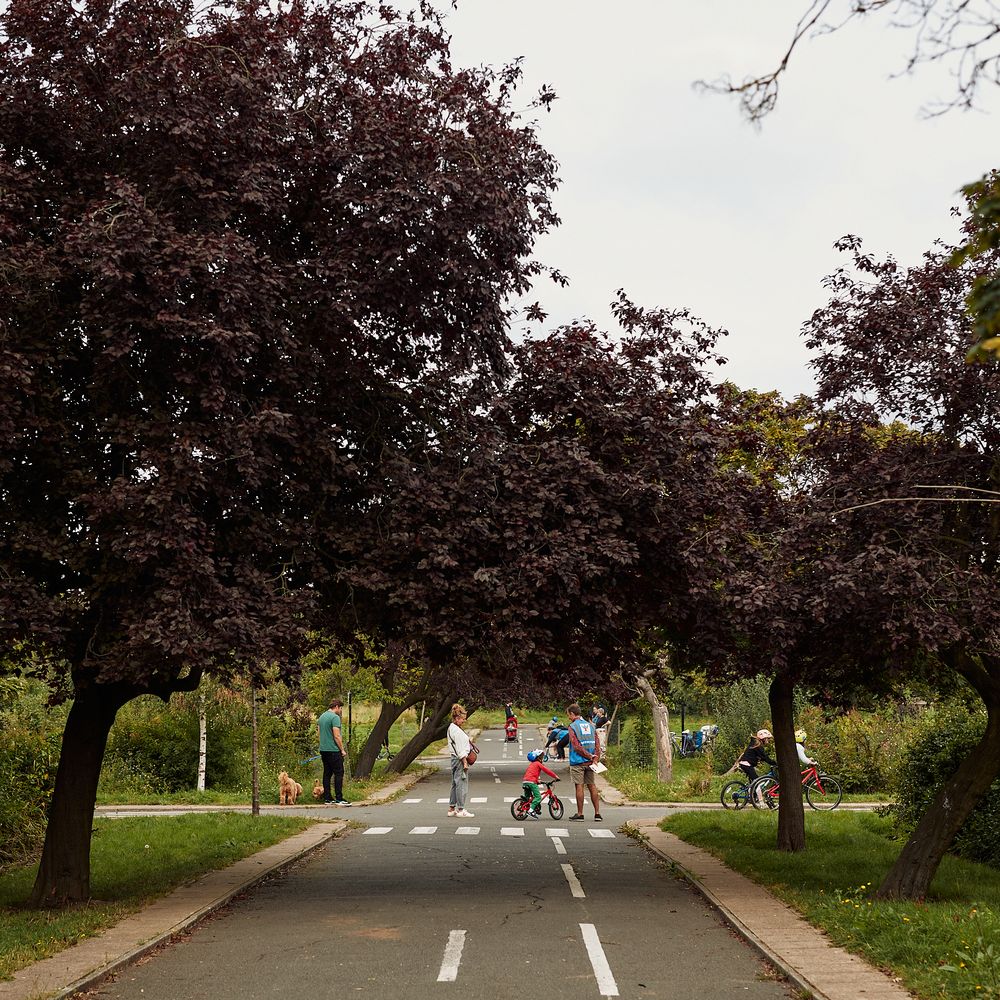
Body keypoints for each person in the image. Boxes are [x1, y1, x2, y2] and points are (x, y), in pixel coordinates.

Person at [566, 702, 602, 821]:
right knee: (592, 786)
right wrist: (595, 757)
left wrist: (589, 756)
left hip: (578, 762)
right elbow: (597, 742)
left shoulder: (572, 727)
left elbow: (576, 745)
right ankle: (597, 813)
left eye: (568, 715)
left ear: (572, 713)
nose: (568, 717)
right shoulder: (591, 725)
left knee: (579, 786)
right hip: (590, 763)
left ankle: (580, 814)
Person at [317, 698, 349, 806]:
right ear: (336, 707)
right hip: (333, 750)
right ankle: (339, 798)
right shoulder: (335, 718)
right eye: (340, 708)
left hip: (323, 749)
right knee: (339, 773)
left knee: (327, 774)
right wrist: (342, 750)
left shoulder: (321, 717)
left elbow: (319, 733)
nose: (340, 711)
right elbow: (336, 735)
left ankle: (328, 798)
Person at [447, 703, 475, 818]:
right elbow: (460, 749)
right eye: (463, 719)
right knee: (461, 784)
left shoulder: (451, 728)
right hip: (459, 759)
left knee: (455, 783)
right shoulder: (457, 732)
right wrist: (464, 762)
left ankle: (452, 808)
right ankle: (461, 809)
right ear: (457, 718)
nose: (464, 721)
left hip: (454, 758)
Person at [521, 750, 559, 818]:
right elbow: (547, 770)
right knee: (538, 797)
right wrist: (555, 776)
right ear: (538, 758)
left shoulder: (532, 764)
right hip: (531, 782)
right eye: (541, 757)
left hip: (525, 782)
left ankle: (521, 811)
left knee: (527, 799)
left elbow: (532, 774)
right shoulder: (538, 764)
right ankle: (531, 811)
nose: (542, 758)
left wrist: (537, 781)